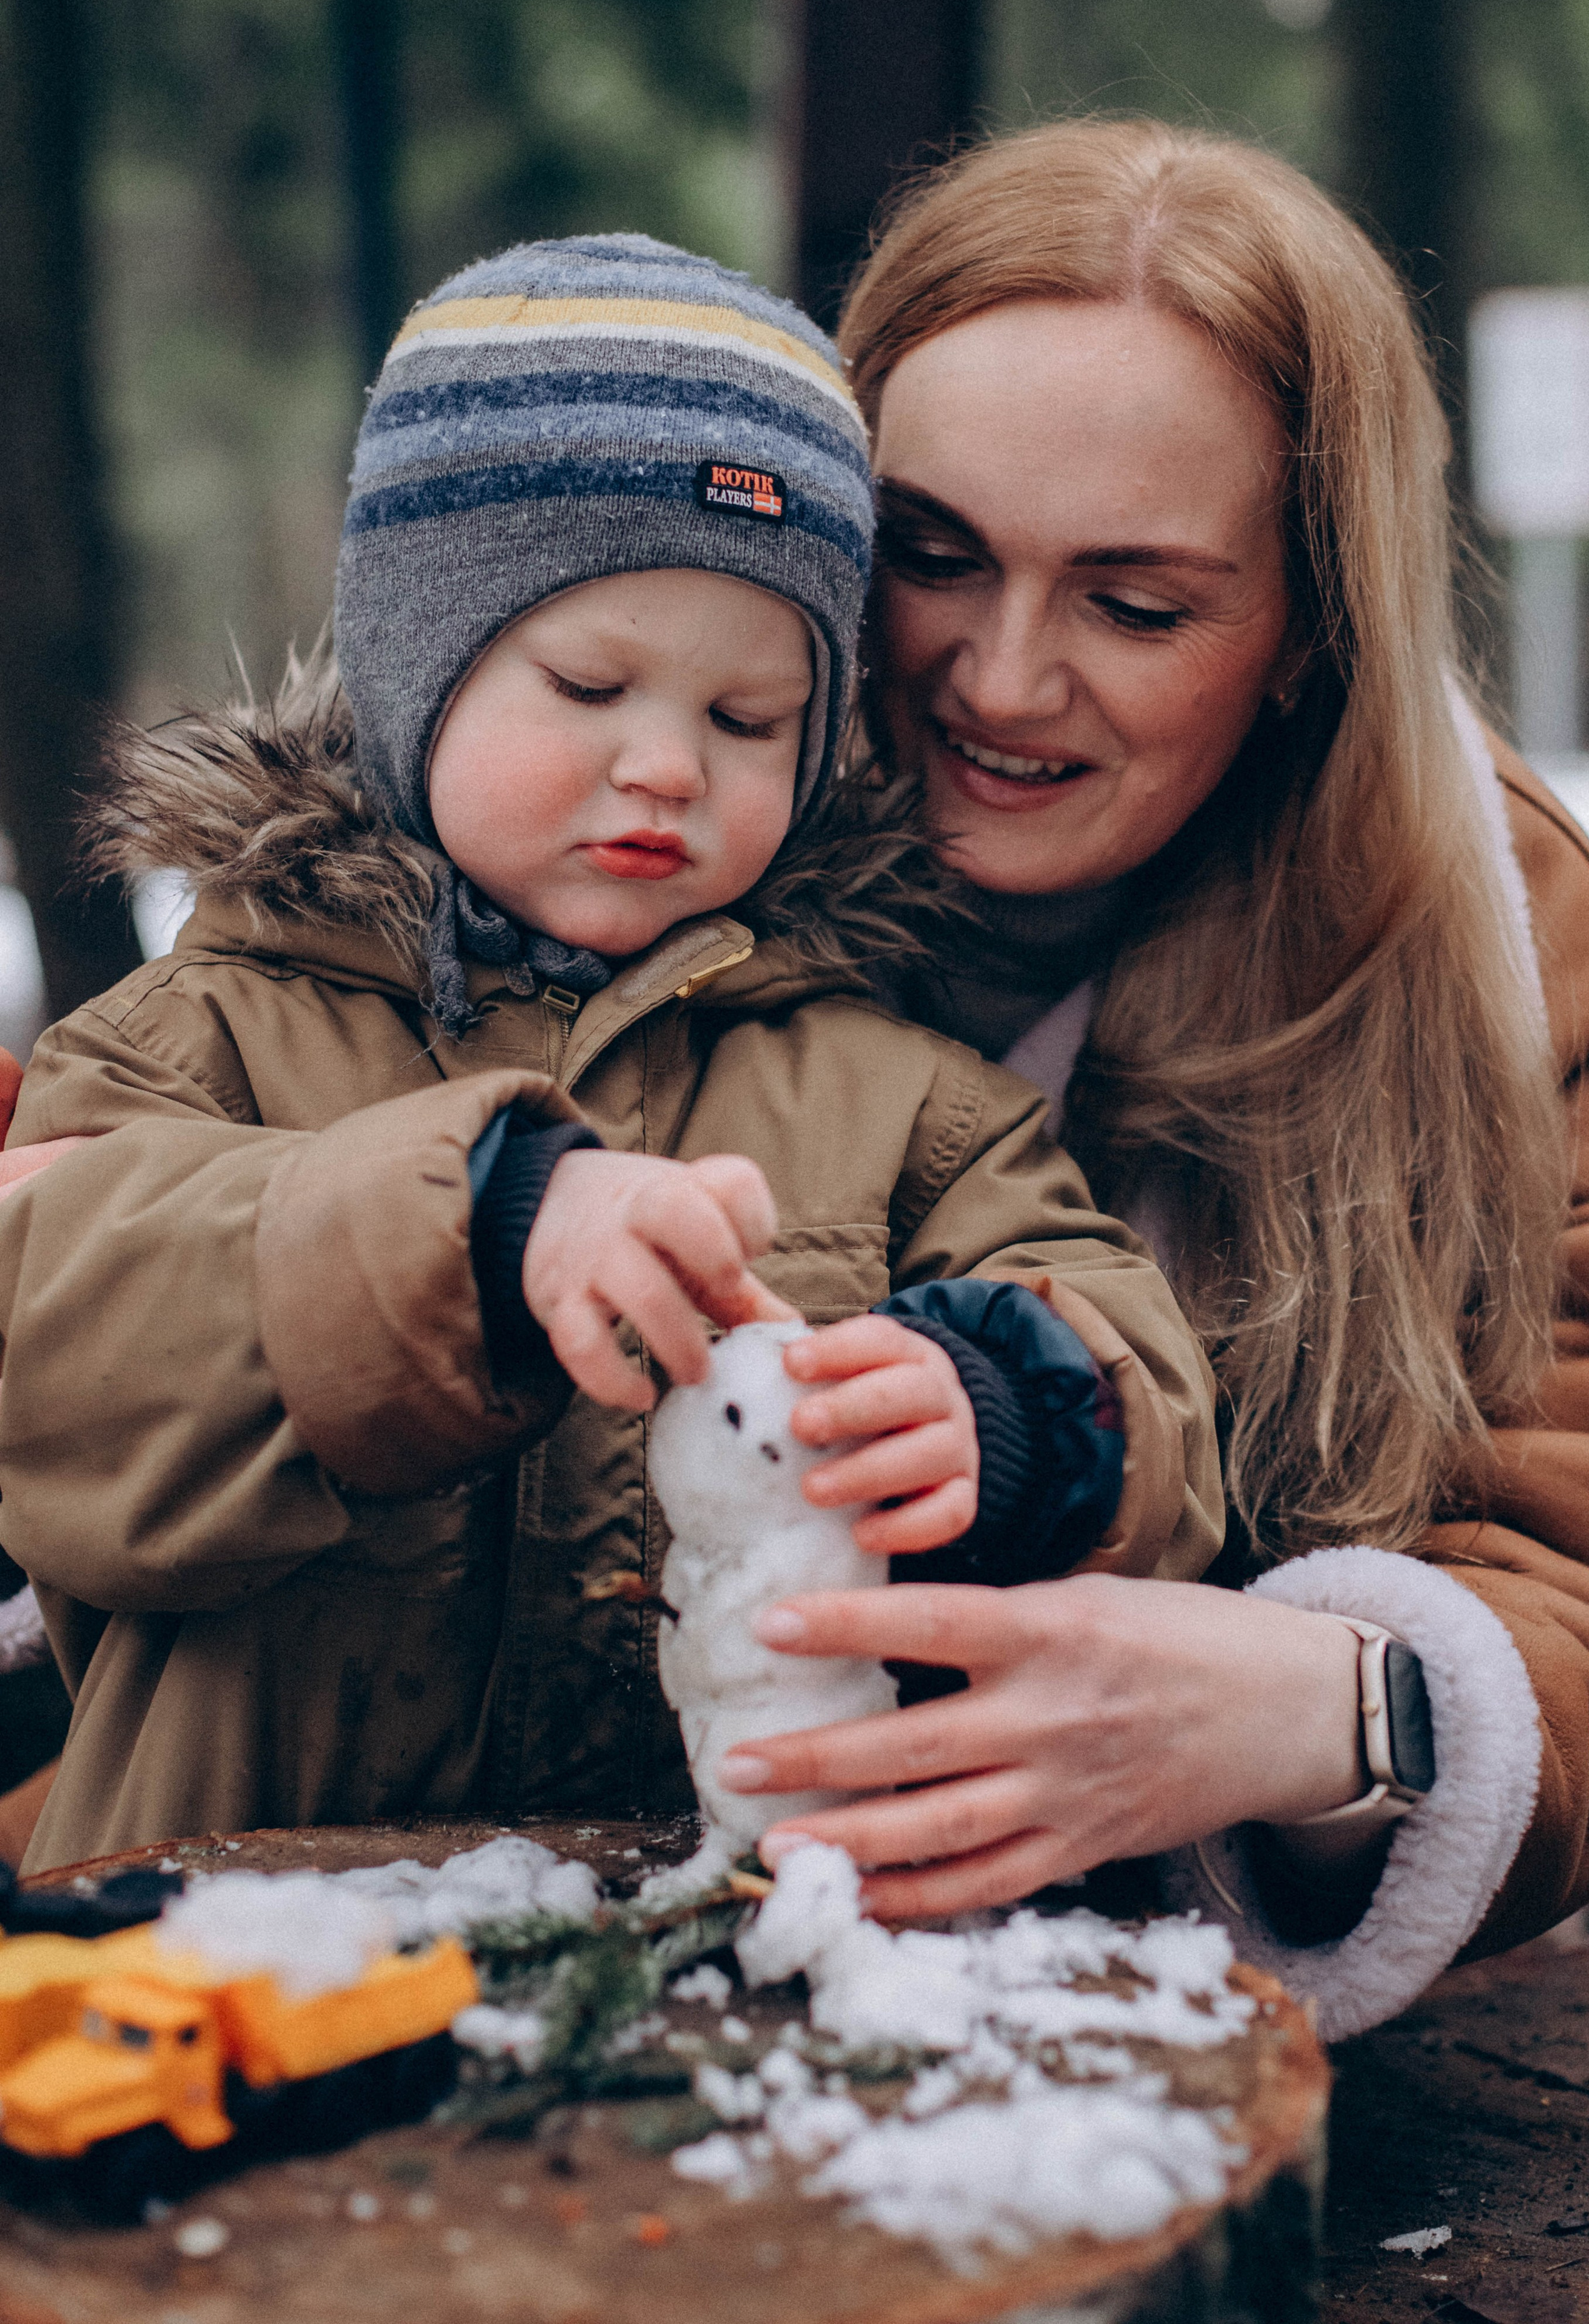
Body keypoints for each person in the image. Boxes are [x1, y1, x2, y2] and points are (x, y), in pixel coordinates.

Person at [0, 234, 1223, 1873]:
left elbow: (1139, 1374)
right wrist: (475, 1229)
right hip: (234, 1945)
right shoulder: (195, 1038)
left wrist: (1008, 1414)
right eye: (589, 684)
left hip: (717, 1954)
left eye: (748, 721)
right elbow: (51, 1365)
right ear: (415, 672)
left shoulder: (897, 1092)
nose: (666, 766)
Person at [713, 120, 1589, 2043]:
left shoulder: (1514, 944)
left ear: (1310, 634)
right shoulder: (604, 806)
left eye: (1135, 605)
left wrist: (1323, 1706)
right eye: (932, 557)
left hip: (1150, 2057)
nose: (1003, 681)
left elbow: (1579, 1576)